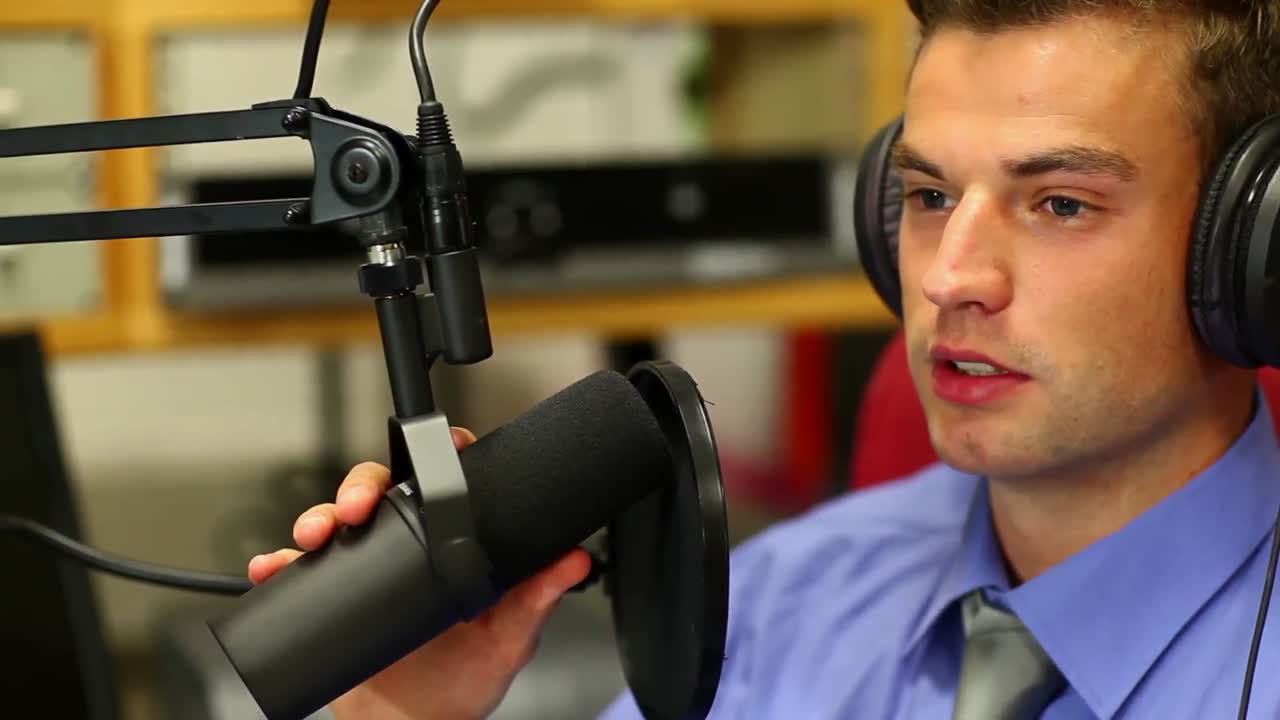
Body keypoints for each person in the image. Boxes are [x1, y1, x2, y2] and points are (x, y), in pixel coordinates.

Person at [248, 0, 1280, 717]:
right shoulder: (779, 600)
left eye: (1058, 204)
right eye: (926, 197)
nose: (947, 276)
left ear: (1245, 252)